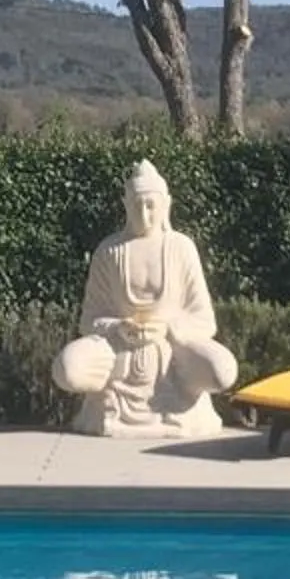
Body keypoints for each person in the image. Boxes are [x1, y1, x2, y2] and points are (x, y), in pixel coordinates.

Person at [53, 161, 236, 439]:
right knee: (68, 370)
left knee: (222, 372)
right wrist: (117, 328)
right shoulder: (109, 250)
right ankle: (107, 410)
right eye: (137, 206)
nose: (144, 214)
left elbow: (204, 320)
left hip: (174, 348)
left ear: (166, 206)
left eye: (151, 205)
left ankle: (182, 409)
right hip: (117, 348)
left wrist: (168, 329)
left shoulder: (181, 247)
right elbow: (89, 320)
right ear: (125, 205)